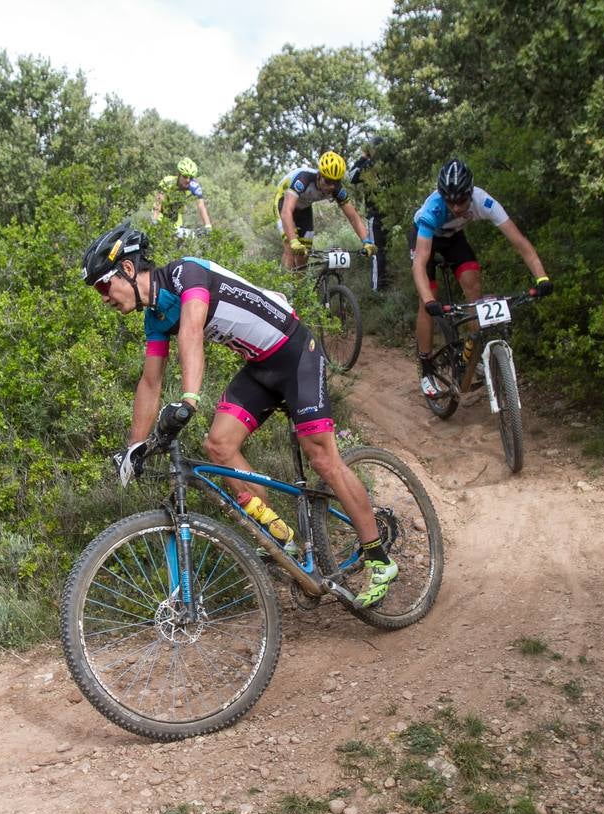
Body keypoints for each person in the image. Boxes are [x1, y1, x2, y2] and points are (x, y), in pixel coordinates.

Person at [81, 222, 398, 609]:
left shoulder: (186, 274)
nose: (103, 299)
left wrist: (190, 399)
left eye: (102, 286)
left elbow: (193, 330)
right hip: (260, 367)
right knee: (219, 445)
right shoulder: (156, 317)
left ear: (128, 270)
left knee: (322, 458)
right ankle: (281, 539)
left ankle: (379, 557)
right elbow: (150, 383)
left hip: (295, 352)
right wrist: (135, 446)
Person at [411, 159, 552, 399]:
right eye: (450, 201)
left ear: (470, 193)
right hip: (426, 239)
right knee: (429, 299)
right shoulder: (432, 210)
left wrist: (542, 278)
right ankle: (426, 367)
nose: (456, 207)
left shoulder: (484, 201)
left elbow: (520, 243)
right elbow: (420, 263)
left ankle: (472, 352)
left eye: (461, 201)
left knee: (473, 286)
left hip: (454, 237)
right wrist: (427, 300)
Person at [274, 151, 375, 270]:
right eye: (328, 181)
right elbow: (287, 212)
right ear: (319, 175)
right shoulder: (303, 179)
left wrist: (367, 241)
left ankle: (299, 287)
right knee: (291, 247)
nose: (331, 186)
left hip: (304, 208)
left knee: (304, 254)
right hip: (284, 203)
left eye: (336, 182)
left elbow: (353, 217)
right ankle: (282, 285)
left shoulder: (336, 189)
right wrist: (293, 241)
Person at [348, 138, 389, 291]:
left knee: (376, 252)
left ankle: (377, 290)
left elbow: (351, 176)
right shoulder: (390, 163)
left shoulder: (367, 165)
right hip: (392, 212)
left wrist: (363, 158)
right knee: (383, 251)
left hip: (376, 213)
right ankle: (385, 287)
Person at [152, 157, 212, 232]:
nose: (188, 180)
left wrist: (208, 226)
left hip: (177, 222)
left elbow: (201, 205)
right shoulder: (168, 181)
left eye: (191, 178)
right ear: (178, 174)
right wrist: (154, 220)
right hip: (161, 217)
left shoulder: (194, 186)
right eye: (185, 176)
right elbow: (158, 203)